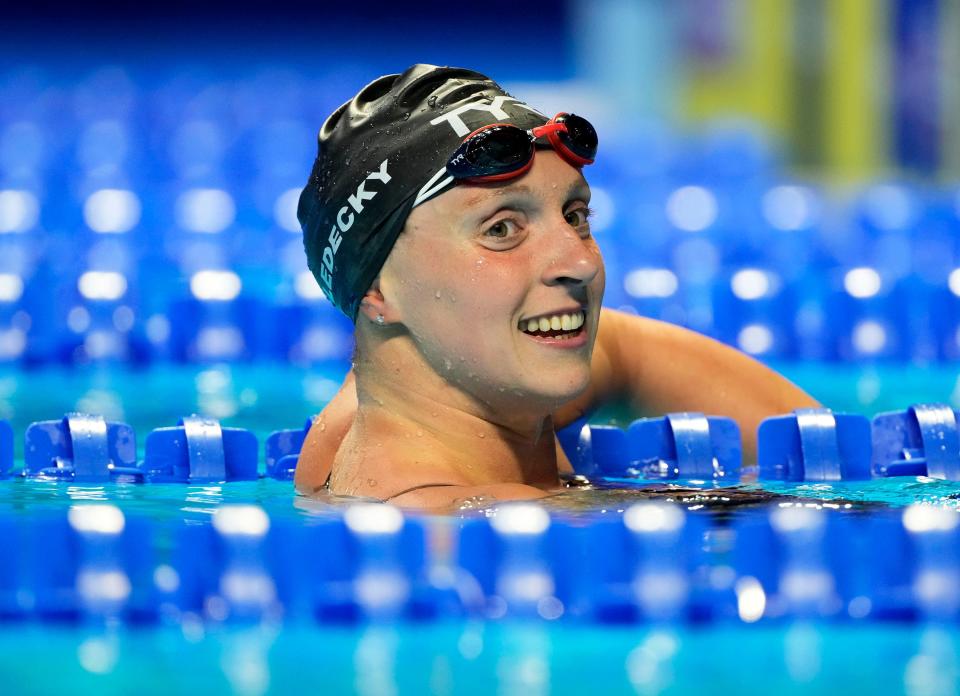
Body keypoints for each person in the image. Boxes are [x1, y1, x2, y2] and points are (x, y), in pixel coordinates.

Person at [295, 64, 819, 510]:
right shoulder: (470, 525)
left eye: (575, 215)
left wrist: (825, 448)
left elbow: (625, 352)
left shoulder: (372, 417)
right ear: (377, 292)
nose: (579, 262)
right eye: (501, 229)